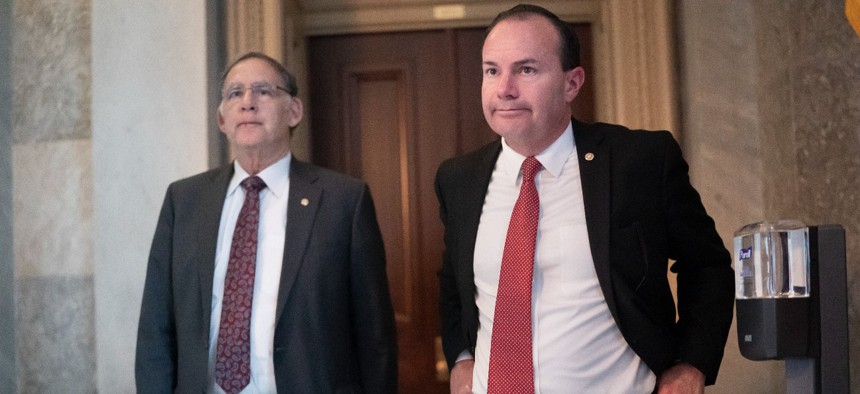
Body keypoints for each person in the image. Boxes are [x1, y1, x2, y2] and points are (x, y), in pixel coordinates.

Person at [435, 4, 734, 393]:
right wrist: (461, 358)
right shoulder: (459, 179)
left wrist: (691, 364)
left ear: (572, 83)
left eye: (526, 70)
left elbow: (707, 266)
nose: (504, 89)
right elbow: (454, 282)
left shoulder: (639, 162)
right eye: (492, 70)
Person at [135, 52, 397, 393]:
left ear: (293, 111)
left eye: (263, 91)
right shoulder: (183, 201)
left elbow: (374, 335)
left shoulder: (344, 201)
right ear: (221, 120)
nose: (248, 103)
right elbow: (156, 327)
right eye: (235, 93)